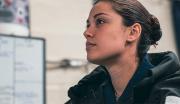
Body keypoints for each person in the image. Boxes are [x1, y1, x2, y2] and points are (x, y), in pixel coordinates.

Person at [65, 0, 180, 104]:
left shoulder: (171, 92)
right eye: (88, 24)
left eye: (100, 21)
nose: (87, 32)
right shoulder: (85, 93)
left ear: (133, 32)